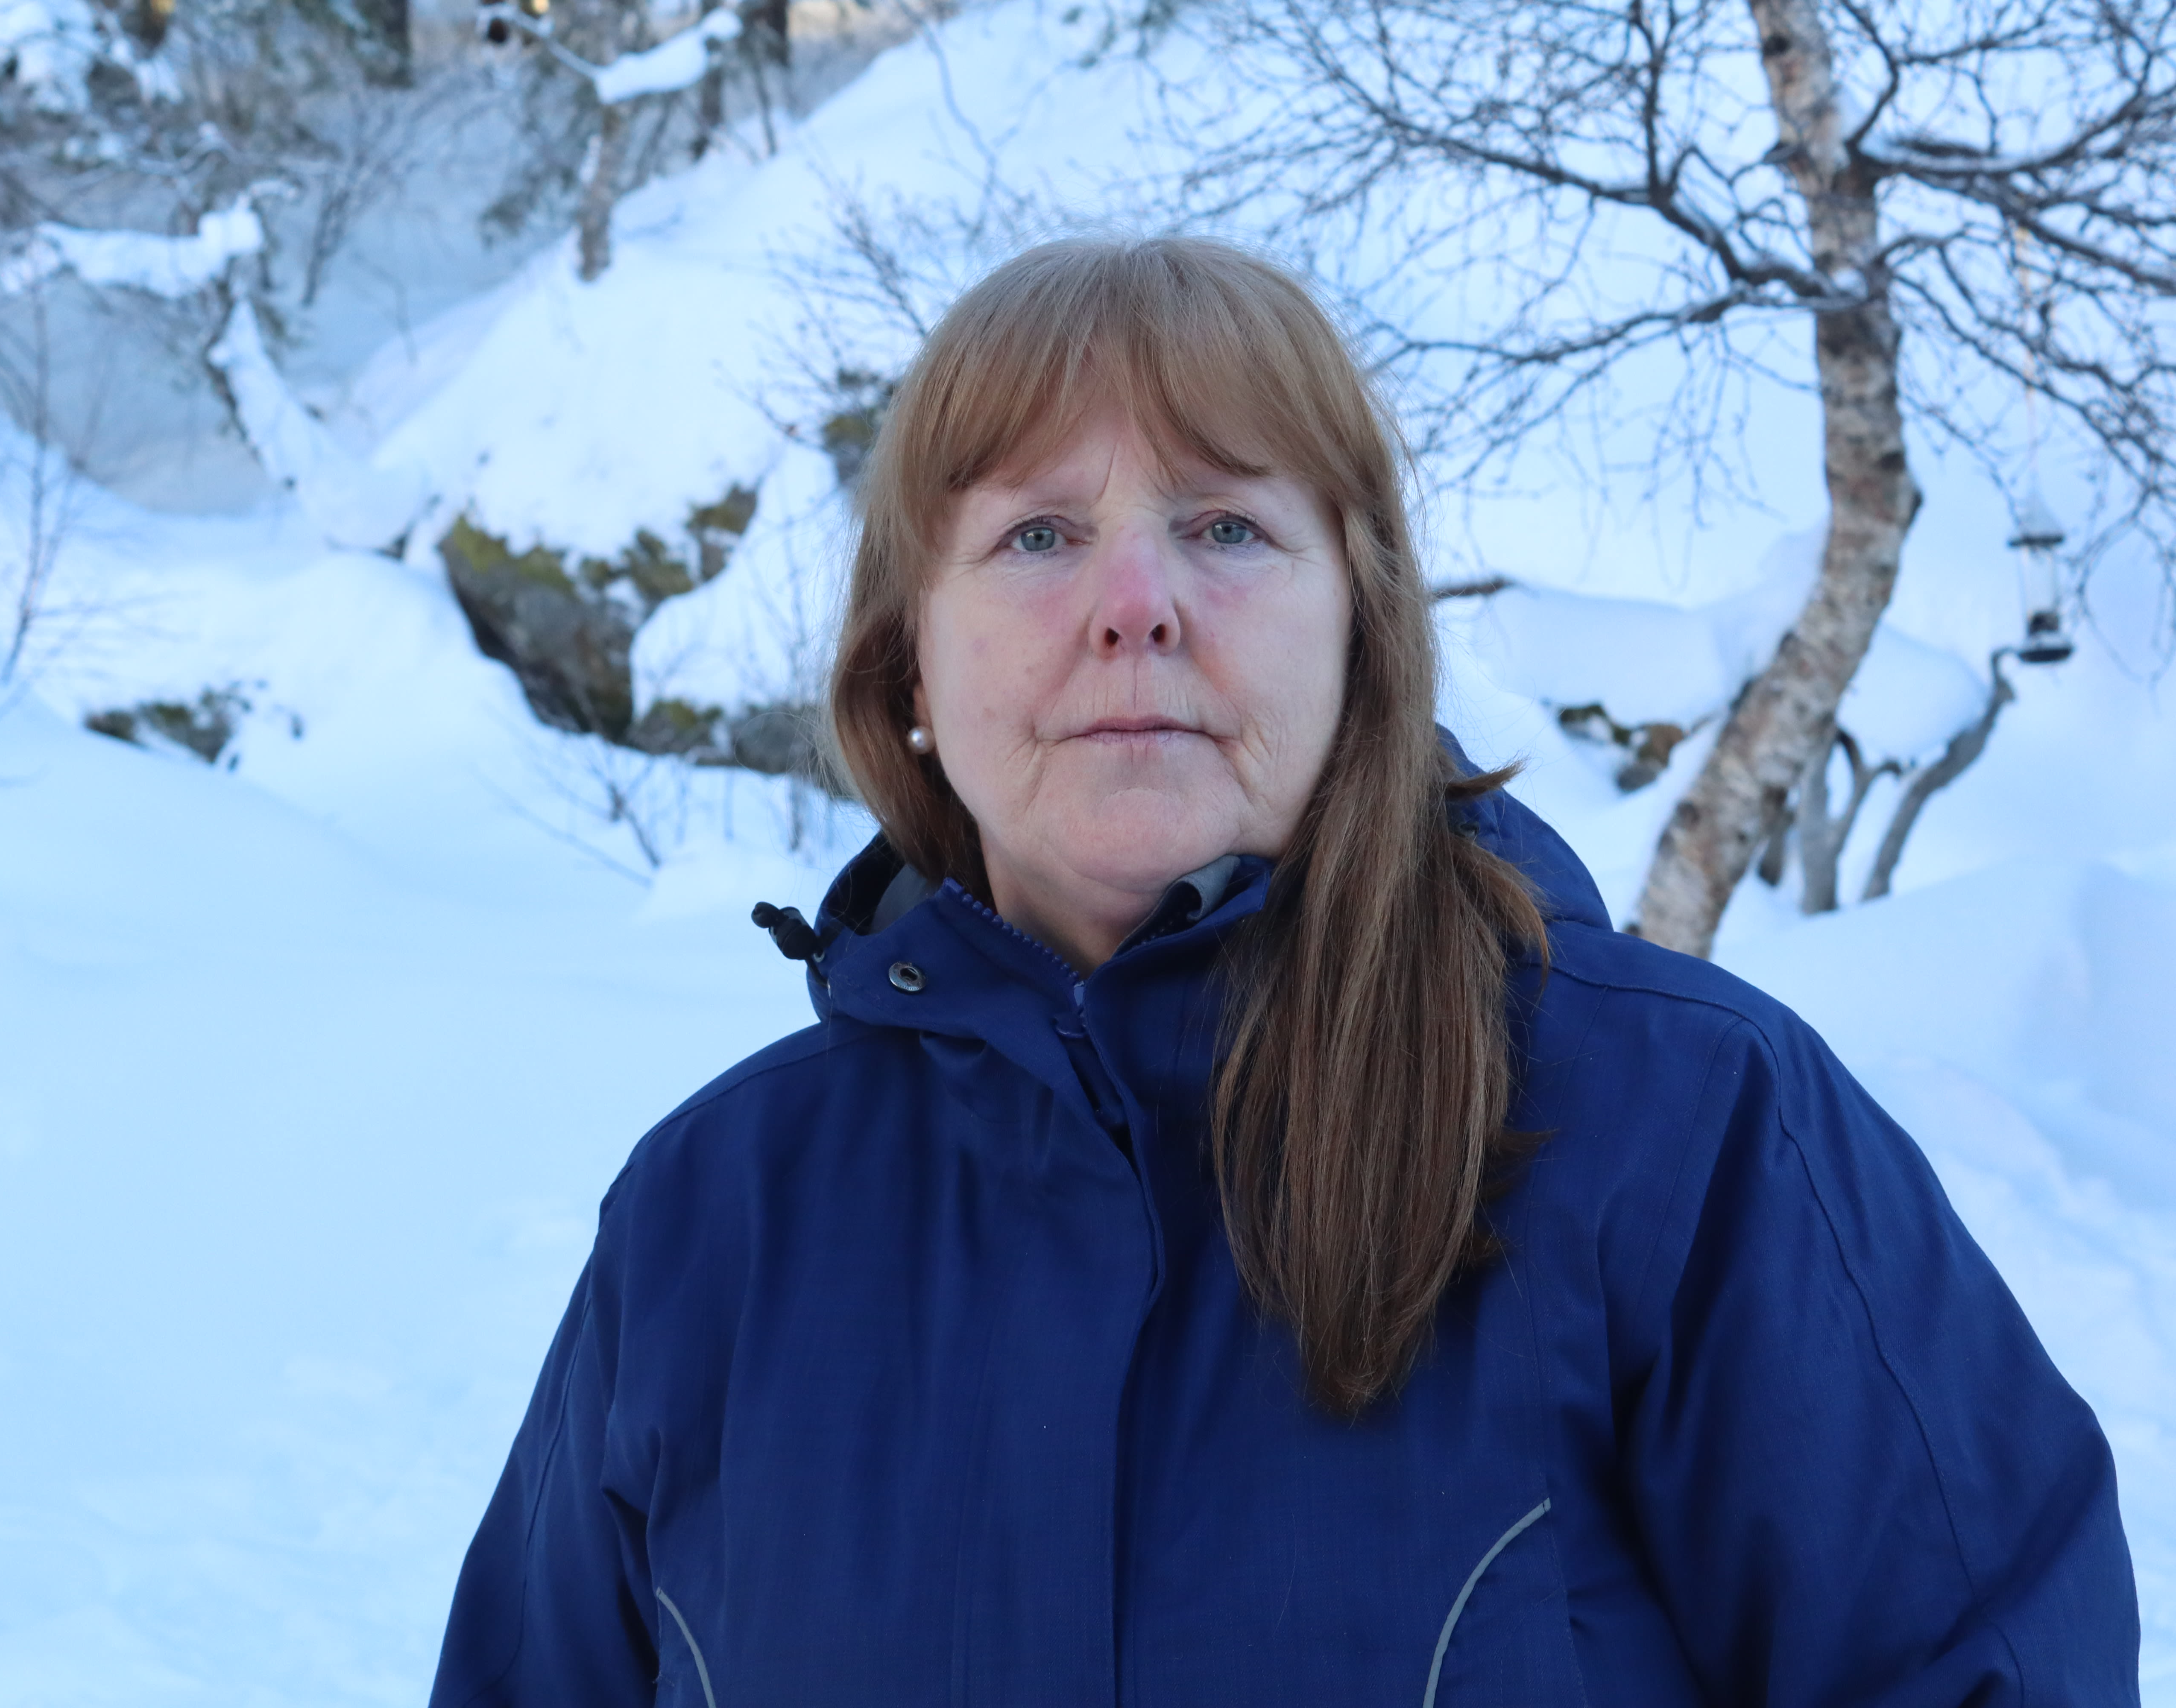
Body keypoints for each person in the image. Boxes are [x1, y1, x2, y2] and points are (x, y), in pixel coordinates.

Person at [426, 237, 2138, 1706]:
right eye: (1038, 536)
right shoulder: (711, 1219)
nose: (1136, 604)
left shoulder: (1687, 1133)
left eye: (1228, 527)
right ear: (911, 671)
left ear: (1362, 635)